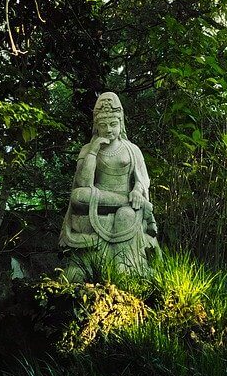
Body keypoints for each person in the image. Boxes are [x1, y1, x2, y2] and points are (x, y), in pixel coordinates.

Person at [59, 92, 159, 280]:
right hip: (98, 197)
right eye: (103, 125)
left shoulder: (132, 149)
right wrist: (93, 151)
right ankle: (128, 203)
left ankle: (124, 264)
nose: (109, 130)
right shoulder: (88, 149)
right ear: (96, 126)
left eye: (113, 124)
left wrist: (137, 190)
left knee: (126, 214)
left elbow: (143, 179)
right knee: (78, 195)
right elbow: (83, 183)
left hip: (126, 198)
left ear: (121, 123)